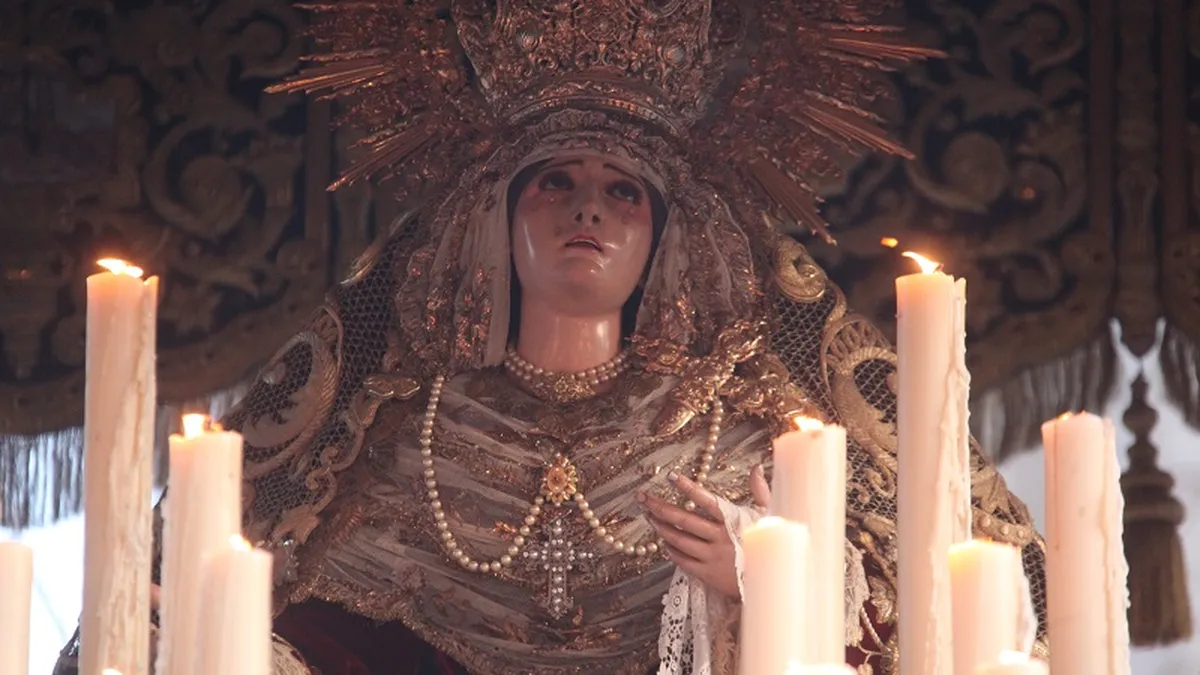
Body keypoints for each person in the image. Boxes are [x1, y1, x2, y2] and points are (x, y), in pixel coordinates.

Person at [55, 2, 1049, 673]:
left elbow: (944, 609)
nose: (589, 211)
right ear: (495, 219)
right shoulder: (394, 436)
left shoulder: (752, 436)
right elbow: (283, 627)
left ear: (665, 237)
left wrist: (765, 576)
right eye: (556, 183)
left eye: (623, 192)